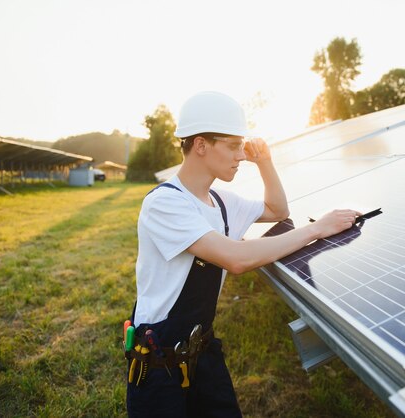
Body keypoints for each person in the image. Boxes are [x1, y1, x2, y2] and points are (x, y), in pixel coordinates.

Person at [126, 91, 360, 417]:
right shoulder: (164, 203)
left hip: (203, 353)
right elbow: (236, 258)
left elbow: (277, 209)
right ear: (201, 145)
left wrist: (264, 161)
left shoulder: (222, 202)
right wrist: (315, 229)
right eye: (234, 145)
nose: (241, 154)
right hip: (159, 364)